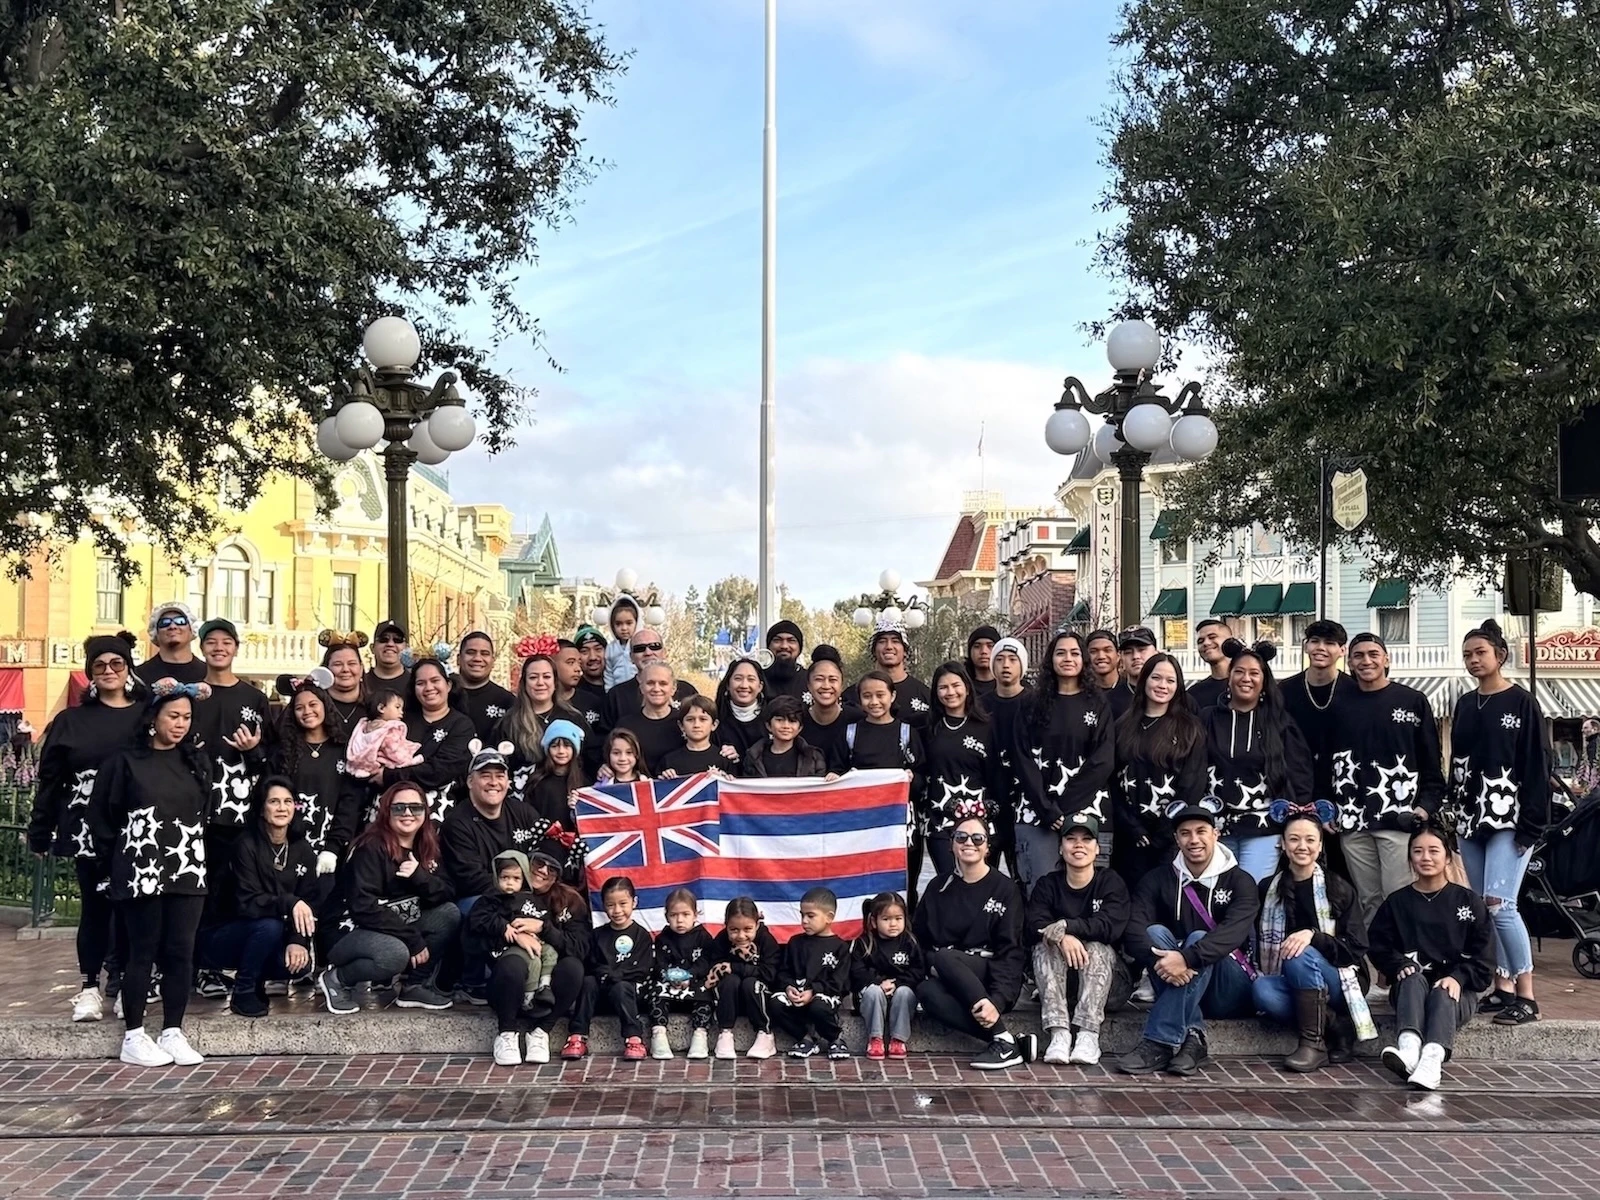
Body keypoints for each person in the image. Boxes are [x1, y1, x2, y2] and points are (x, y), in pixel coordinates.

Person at [87, 679, 214, 1068]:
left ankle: (173, 1031)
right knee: (141, 952)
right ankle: (135, 1035)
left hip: (187, 866)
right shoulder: (124, 762)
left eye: (187, 718)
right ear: (153, 718)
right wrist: (115, 864)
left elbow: (204, 812)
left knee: (181, 951)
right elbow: (101, 817)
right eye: (173, 716)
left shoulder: (195, 761)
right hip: (140, 869)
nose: (180, 724)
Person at [29, 632, 146, 1023]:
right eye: (100, 666)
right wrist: (40, 830)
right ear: (90, 674)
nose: (109, 671)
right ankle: (89, 987)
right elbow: (50, 781)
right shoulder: (70, 722)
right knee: (95, 909)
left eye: (116, 664)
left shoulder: (147, 714)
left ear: (128, 668)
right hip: (86, 826)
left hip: (137, 825)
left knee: (134, 909)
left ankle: (128, 983)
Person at [1450, 618, 1549, 1026]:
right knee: (1485, 907)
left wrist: (1532, 823)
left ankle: (1527, 994)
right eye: (1468, 654)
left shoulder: (1522, 702)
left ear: (1500, 656)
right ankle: (1502, 985)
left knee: (1500, 903)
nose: (1474, 660)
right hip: (1469, 820)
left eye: (1481, 653)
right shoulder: (1464, 703)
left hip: (1510, 819)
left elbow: (1537, 763)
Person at [1117, 799, 1260, 1076]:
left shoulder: (1240, 881)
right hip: (1180, 982)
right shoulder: (1158, 878)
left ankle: (1158, 1042)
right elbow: (1133, 927)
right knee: (1154, 933)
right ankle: (1194, 1038)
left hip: (1229, 989)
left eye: (1201, 831)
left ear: (1215, 835)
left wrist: (1186, 958)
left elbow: (1232, 934)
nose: (1194, 840)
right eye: (1185, 833)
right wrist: (1168, 963)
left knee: (1198, 937)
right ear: (1176, 839)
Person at [1328, 633, 1445, 933]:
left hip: (1399, 819)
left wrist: (1426, 807)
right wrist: (1325, 809)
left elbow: (1432, 760)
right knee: (1369, 900)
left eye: (1373, 654)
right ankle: (1378, 969)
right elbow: (1325, 761)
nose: (1366, 660)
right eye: (1358, 655)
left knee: (1399, 896)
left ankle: (1407, 969)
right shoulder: (1338, 705)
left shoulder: (1412, 701)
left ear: (1387, 659)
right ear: (1350, 662)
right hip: (1352, 821)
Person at [1369, 821, 1494, 1090]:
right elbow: (1378, 945)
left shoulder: (1469, 903)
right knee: (1412, 977)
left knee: (1443, 991)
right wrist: (1398, 965)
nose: (1426, 857)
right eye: (1418, 851)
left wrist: (1459, 977)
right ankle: (1409, 1048)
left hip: (1456, 995)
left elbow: (1484, 960)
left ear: (1448, 856)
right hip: (1409, 991)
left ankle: (1432, 1059)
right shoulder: (1397, 902)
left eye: (1434, 850)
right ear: (1410, 858)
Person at [1251, 800, 1375, 1072]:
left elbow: (1355, 949)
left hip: (1341, 977)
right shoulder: (1267, 888)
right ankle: (1336, 1025)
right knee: (1262, 990)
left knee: (1300, 952)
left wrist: (1313, 937)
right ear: (1283, 844)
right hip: (1291, 979)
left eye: (1310, 840)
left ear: (1320, 846)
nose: (1302, 846)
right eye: (1294, 839)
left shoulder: (1339, 888)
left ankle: (1312, 1044)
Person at [318, 781, 461, 1014]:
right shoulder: (370, 847)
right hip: (347, 929)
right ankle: (338, 979)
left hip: (391, 922)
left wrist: (418, 877)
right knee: (394, 954)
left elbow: (447, 891)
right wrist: (412, 939)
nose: (407, 813)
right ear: (386, 812)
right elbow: (363, 907)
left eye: (415, 808)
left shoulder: (427, 845)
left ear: (425, 813)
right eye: (399, 807)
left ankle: (413, 985)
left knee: (448, 914)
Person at [440, 743, 566, 1001]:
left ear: (509, 781)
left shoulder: (521, 812)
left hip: (524, 897)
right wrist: (515, 911)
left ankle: (548, 982)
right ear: (470, 781)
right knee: (478, 910)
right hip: (480, 899)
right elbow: (470, 878)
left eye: (500, 775)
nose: (493, 782)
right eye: (485, 775)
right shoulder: (457, 822)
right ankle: (475, 982)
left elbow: (546, 851)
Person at [913, 815, 1030, 1069]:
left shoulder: (1006, 889)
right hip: (948, 974)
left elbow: (1010, 951)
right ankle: (1004, 1040)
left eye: (978, 838)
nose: (969, 843)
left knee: (945, 957)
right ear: (952, 844)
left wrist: (997, 1000)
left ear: (988, 846)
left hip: (991, 975)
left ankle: (1000, 1033)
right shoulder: (937, 887)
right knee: (926, 991)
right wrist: (931, 964)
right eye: (961, 837)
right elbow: (917, 940)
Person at [197, 777, 320, 1018]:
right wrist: (289, 902)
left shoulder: (302, 848)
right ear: (262, 808)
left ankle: (257, 982)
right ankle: (243, 991)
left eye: (288, 801)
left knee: (299, 964)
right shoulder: (245, 845)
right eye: (274, 801)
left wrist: (298, 940)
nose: (282, 808)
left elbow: (309, 900)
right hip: (226, 935)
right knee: (268, 926)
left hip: (270, 933)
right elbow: (248, 902)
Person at [1026, 813, 1132, 1066]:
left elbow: (1110, 928)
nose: (1079, 845)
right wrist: (1062, 937)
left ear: (1097, 848)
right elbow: (1033, 924)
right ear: (1061, 848)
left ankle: (1088, 1035)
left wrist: (1067, 926)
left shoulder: (1110, 882)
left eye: (1086, 839)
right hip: (1060, 985)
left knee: (1096, 947)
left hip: (1109, 987)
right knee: (1046, 945)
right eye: (1071, 839)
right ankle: (1059, 1033)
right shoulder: (1047, 885)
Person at [1204, 639, 1314, 882]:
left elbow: (1300, 775)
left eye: (1254, 673)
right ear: (1229, 678)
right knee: (1217, 896)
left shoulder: (1280, 723)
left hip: (1263, 829)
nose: (1246, 678)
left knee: (1251, 895)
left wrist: (1298, 820)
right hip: (1215, 829)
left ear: (1264, 683)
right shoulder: (1207, 719)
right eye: (1239, 672)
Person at [1013, 631, 1115, 893]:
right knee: (1041, 889)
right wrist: (1047, 809)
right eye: (1060, 653)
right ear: (1051, 660)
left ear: (1083, 660)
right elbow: (1022, 757)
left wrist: (1064, 807)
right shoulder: (1030, 704)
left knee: (1088, 890)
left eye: (1074, 653)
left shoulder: (1097, 704)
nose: (1067, 658)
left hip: (1087, 809)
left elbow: (1102, 760)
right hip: (1037, 813)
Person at [1113, 653, 1206, 900]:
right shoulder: (1123, 725)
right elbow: (1111, 781)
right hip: (1130, 836)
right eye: (1156, 678)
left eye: (1170, 680)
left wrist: (1167, 830)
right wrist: (1132, 827)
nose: (1163, 686)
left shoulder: (1190, 728)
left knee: (1167, 902)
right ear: (1144, 680)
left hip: (1170, 837)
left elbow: (1192, 783)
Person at [824, 671, 923, 900]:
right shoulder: (850, 733)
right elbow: (837, 769)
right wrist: (833, 778)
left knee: (904, 884)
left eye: (881, 695)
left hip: (900, 827)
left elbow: (922, 777)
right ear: (859, 699)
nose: (874, 701)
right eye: (867, 696)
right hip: (859, 827)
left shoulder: (907, 734)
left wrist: (911, 778)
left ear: (893, 696)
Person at [493, 850, 592, 1064]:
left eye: (552, 868)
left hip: (549, 986)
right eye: (539, 862)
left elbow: (580, 947)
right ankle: (506, 1032)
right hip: (508, 978)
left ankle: (540, 1031)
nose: (543, 870)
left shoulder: (570, 901)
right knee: (512, 964)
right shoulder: (503, 890)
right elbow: (477, 934)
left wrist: (544, 929)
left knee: (574, 968)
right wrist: (512, 935)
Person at [467, 850, 561, 1066]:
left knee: (546, 955)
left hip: (537, 945)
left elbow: (542, 918)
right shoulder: (491, 899)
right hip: (503, 953)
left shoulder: (531, 900)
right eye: (505, 878)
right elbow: (478, 921)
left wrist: (538, 930)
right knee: (516, 965)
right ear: (496, 877)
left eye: (516, 878)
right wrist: (505, 928)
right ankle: (509, 1030)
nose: (509, 884)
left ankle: (542, 987)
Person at [271, 680, 359, 890]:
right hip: (289, 846)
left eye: (313, 705)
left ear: (325, 706)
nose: (307, 711)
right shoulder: (284, 752)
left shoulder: (345, 749)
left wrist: (333, 847)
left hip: (330, 848)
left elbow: (350, 802)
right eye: (299, 707)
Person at [921, 663, 1002, 875]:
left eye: (955, 685)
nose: (950, 692)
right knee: (949, 886)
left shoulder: (988, 727)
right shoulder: (927, 729)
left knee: (979, 887)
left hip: (981, 824)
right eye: (943, 687)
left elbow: (997, 776)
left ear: (967, 687)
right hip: (940, 824)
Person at [572, 876, 655, 1060]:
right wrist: (606, 974)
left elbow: (643, 968)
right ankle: (577, 1036)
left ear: (634, 902)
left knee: (621, 987)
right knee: (587, 982)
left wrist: (617, 975)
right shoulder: (598, 935)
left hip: (629, 997)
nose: (617, 910)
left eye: (623, 903)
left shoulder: (642, 936)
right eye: (610, 905)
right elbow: (592, 964)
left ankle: (634, 1038)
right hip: (600, 996)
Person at [382, 659, 476, 820]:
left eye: (435, 681)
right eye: (420, 683)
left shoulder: (462, 725)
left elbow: (441, 771)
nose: (429, 688)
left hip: (439, 811)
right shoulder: (400, 722)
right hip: (394, 805)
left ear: (448, 685)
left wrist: (387, 776)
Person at [772, 886, 852, 1059]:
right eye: (802, 915)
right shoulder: (795, 943)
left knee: (818, 1007)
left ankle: (835, 1039)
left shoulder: (840, 947)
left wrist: (814, 991)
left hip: (823, 996)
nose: (804, 921)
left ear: (829, 917)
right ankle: (806, 1039)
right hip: (798, 995)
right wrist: (788, 987)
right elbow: (783, 973)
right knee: (775, 1004)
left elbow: (840, 983)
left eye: (810, 916)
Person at [1278, 620, 1349, 805]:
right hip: (1294, 786)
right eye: (1315, 641)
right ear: (1305, 646)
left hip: (1342, 785)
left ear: (1342, 650)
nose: (1321, 648)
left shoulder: (1354, 691)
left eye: (1330, 643)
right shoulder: (1284, 690)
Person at [849, 891, 925, 1059]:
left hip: (900, 992)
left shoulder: (910, 942)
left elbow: (918, 970)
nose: (893, 924)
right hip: (873, 993)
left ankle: (898, 1039)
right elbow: (857, 971)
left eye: (898, 919)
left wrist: (897, 983)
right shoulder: (864, 943)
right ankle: (875, 1038)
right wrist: (878, 982)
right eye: (886, 919)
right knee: (873, 992)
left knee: (905, 992)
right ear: (874, 922)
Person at [497, 653, 594, 785]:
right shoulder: (510, 722)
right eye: (533, 677)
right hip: (524, 798)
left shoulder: (573, 717)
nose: (540, 683)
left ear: (555, 682)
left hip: (568, 795)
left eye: (546, 677)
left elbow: (591, 760)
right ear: (524, 683)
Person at [648, 887, 718, 1059]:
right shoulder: (662, 938)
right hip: (669, 984)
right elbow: (659, 963)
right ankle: (659, 1034)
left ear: (695, 915)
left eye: (685, 914)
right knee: (655, 990)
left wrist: (689, 976)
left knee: (706, 992)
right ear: (666, 916)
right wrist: (669, 976)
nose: (680, 920)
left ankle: (700, 1035)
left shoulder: (703, 937)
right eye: (674, 915)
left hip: (693, 984)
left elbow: (705, 963)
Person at [708, 896, 781, 1058]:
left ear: (757, 924)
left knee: (750, 983)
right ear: (726, 926)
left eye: (748, 929)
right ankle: (725, 1032)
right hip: (729, 1000)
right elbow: (714, 967)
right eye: (734, 930)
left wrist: (735, 967)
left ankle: (765, 1034)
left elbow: (769, 974)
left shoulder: (766, 941)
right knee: (729, 980)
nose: (741, 936)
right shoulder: (721, 941)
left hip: (757, 998)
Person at [985, 637, 1030, 881]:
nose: (1006, 665)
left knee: (1022, 877)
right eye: (1000, 659)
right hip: (990, 802)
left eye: (1012, 659)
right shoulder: (981, 706)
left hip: (1024, 804)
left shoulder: (1034, 703)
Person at [598, 629, 701, 733]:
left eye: (654, 646)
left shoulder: (687, 691)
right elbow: (606, 740)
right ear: (631, 657)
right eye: (640, 648)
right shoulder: (616, 696)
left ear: (664, 652)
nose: (648, 652)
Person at [843, 615, 933, 730]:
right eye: (882, 641)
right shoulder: (852, 696)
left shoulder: (925, 695)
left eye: (895, 641)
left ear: (905, 651)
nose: (889, 647)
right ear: (874, 651)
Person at [615, 662, 687, 772]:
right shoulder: (626, 725)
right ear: (641, 688)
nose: (656, 689)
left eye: (663, 683)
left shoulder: (685, 722)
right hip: (640, 786)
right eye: (650, 683)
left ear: (673, 689)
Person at [799, 646, 862, 767]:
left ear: (841, 684)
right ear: (808, 684)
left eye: (833, 680)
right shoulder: (797, 721)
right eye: (819, 679)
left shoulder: (857, 720)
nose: (826, 686)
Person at [742, 695, 827, 778]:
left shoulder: (813, 757)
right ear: (768, 725)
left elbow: (821, 789)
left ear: (800, 727)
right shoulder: (753, 756)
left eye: (792, 721)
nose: (786, 726)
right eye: (779, 720)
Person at [344, 689, 423, 779]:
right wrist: (406, 761)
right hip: (384, 764)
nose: (401, 712)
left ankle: (362, 768)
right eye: (397, 707)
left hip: (364, 761)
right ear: (381, 708)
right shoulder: (390, 729)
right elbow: (392, 749)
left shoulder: (364, 726)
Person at [453, 631, 515, 742]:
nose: (477, 658)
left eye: (485, 653)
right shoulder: (442, 695)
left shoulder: (508, 702)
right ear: (458, 659)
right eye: (471, 652)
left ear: (493, 661)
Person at [526, 720, 590, 824]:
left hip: (574, 839)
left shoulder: (584, 783)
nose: (561, 751)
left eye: (566, 746)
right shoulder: (536, 781)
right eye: (555, 746)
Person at [661, 696, 740, 778]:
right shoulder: (668, 761)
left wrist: (727, 780)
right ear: (681, 726)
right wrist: (665, 779)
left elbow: (735, 786)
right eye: (690, 719)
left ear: (714, 724)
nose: (696, 725)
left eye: (703, 719)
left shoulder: (725, 759)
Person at [133, 602, 206, 685]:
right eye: (164, 623)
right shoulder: (139, 676)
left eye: (180, 621)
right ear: (156, 632)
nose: (172, 626)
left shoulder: (210, 674)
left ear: (191, 629)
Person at [715, 657, 770, 759]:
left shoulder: (772, 717)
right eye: (738, 678)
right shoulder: (714, 719)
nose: (744, 685)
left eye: (751, 679)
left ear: (760, 687)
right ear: (728, 684)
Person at [317, 631, 369, 735]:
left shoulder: (375, 706)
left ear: (361, 668)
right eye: (337, 664)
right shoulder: (314, 706)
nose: (345, 669)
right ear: (326, 669)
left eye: (352, 663)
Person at [1187, 618, 1232, 713]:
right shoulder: (1193, 694)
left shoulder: (1247, 685)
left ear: (1230, 640)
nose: (1206, 643)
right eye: (1200, 641)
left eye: (1212, 637)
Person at [570, 626, 609, 727]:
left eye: (598, 649)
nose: (592, 657)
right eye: (584, 651)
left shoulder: (619, 686)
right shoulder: (572, 692)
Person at [1117, 626, 1159, 715]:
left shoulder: (1176, 698)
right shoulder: (1109, 702)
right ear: (1121, 659)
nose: (1135, 656)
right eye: (1128, 652)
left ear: (1156, 653)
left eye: (1142, 650)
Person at [763, 619, 809, 699]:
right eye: (777, 640)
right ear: (769, 646)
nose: (784, 646)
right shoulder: (759, 678)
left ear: (799, 648)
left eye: (791, 641)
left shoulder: (809, 680)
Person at [1085, 630, 1127, 718]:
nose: (1101, 656)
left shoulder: (1131, 691)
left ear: (1118, 655)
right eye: (1093, 651)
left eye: (1107, 650)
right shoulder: (1082, 694)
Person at [603, 595, 642, 689]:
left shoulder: (641, 646)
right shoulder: (611, 648)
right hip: (618, 693)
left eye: (629, 623)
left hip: (640, 690)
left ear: (637, 622)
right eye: (618, 624)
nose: (624, 628)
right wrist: (609, 693)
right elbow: (608, 674)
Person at [365, 620, 411, 698]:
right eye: (383, 639)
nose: (390, 644)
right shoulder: (360, 684)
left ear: (407, 648)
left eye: (397, 639)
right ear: (372, 648)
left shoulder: (416, 684)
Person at [963, 625, 1001, 697]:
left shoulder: (1014, 687)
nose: (984, 651)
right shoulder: (961, 687)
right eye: (977, 646)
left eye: (990, 646)